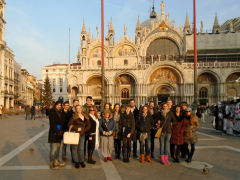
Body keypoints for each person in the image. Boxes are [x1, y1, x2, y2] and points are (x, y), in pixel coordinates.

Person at [48, 101, 65, 170]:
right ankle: (52, 163)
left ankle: (56, 161)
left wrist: (61, 131)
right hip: (53, 132)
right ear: (55, 105)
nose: (59, 106)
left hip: (60, 133)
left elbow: (63, 122)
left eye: (60, 105)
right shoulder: (52, 112)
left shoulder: (62, 112)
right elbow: (52, 123)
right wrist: (57, 131)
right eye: (58, 105)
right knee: (53, 149)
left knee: (58, 148)